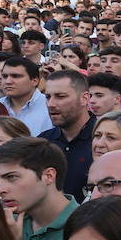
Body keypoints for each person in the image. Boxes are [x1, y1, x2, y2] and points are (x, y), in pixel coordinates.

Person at [41, 70, 96, 202]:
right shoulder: (42, 142)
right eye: (48, 97)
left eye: (60, 96)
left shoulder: (103, 140)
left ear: (84, 98)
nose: (51, 104)